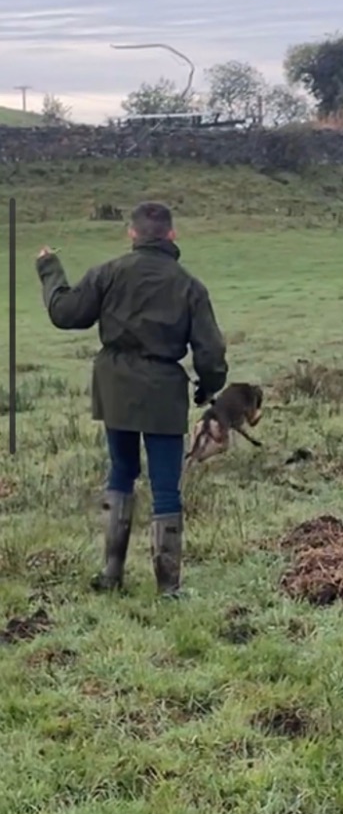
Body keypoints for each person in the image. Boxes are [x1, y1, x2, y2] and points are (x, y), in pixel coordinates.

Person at [35, 201, 228, 598]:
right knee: (166, 487)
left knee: (121, 471)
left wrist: (50, 267)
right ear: (172, 235)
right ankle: (168, 587)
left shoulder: (108, 273)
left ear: (132, 234)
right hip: (163, 392)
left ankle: (111, 574)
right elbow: (210, 352)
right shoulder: (189, 286)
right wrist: (209, 388)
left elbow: (65, 313)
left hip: (115, 388)